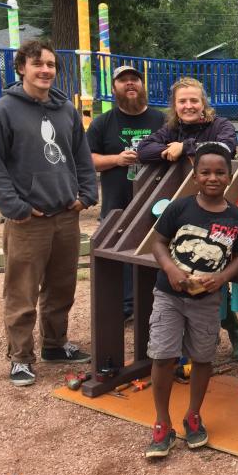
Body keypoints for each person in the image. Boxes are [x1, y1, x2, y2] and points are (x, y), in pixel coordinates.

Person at [0, 38, 98, 387]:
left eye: (50, 65)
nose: (45, 70)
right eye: (37, 64)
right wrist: (15, 208)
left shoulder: (66, 111)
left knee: (62, 287)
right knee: (22, 292)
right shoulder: (1, 112)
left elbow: (82, 157)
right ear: (22, 68)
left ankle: (55, 345)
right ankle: (20, 357)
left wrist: (87, 195)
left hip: (65, 215)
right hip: (28, 220)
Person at [146, 143, 238, 458]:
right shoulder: (179, 208)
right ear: (195, 176)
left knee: (203, 358)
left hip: (207, 300)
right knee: (164, 356)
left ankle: (193, 415)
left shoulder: (236, 217)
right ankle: (162, 421)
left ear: (230, 177)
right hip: (169, 295)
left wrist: (221, 278)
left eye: (220, 172)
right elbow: (158, 242)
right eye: (205, 172)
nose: (212, 178)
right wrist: (169, 268)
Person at [137, 77, 238, 361]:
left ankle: (233, 328)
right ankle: (181, 349)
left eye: (194, 100)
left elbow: (224, 147)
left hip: (216, 207)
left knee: (213, 266)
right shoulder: (169, 129)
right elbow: (144, 150)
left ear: (203, 103)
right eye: (182, 101)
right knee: (184, 267)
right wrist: (172, 147)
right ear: (175, 106)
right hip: (182, 208)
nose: (188, 106)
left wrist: (184, 147)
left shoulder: (220, 124)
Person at [87, 65, 165, 319]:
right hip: (116, 205)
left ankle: (153, 307)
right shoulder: (103, 123)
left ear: (142, 86)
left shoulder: (160, 119)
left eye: (135, 80)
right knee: (117, 255)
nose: (130, 84)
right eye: (123, 81)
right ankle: (124, 308)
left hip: (154, 204)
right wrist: (117, 160)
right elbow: (87, 160)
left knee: (154, 252)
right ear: (114, 89)